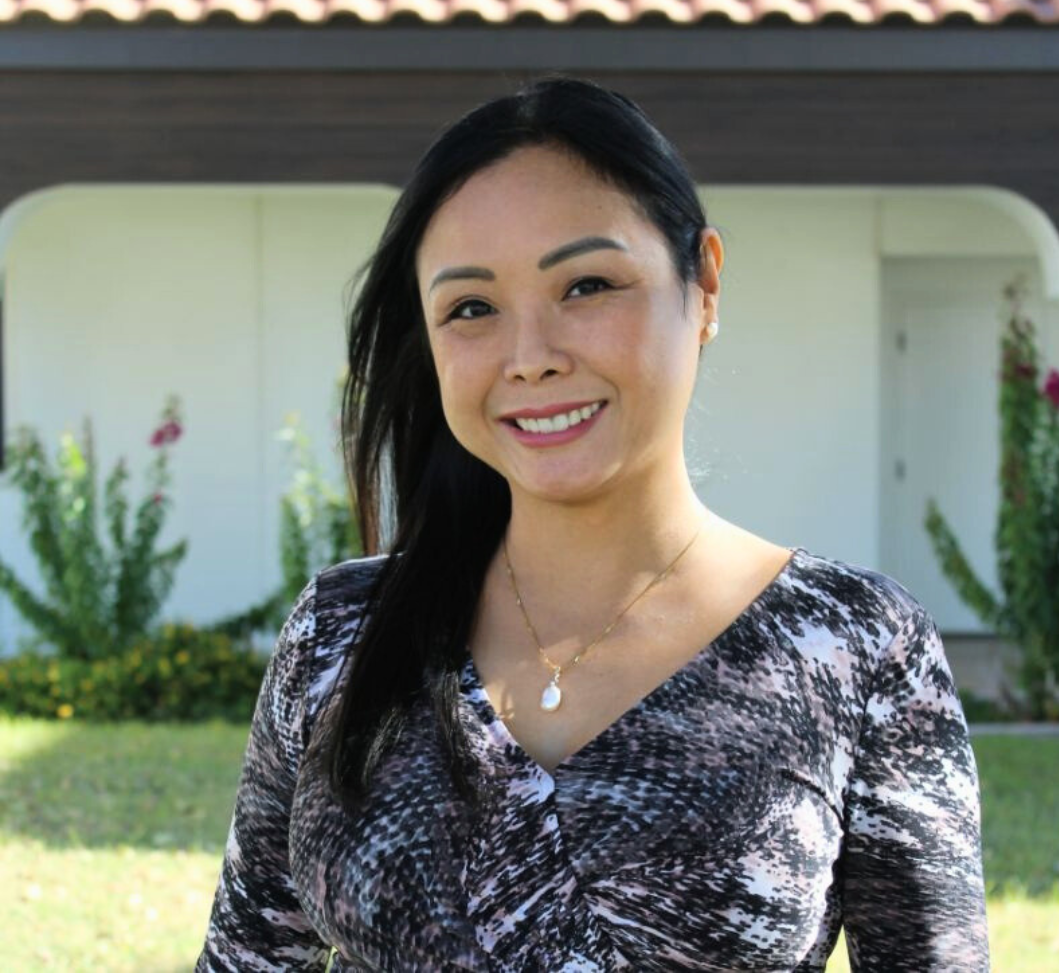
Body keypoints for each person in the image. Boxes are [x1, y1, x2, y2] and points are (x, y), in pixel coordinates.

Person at [196, 75, 990, 971]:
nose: (531, 357)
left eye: (587, 285)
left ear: (705, 285)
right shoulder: (341, 634)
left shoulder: (854, 646)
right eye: (471, 308)